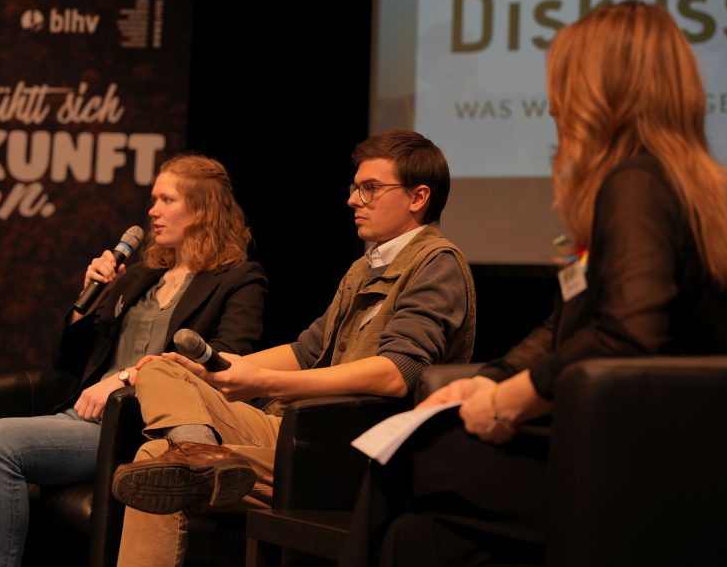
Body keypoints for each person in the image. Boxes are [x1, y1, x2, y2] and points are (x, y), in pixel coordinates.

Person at [342, 1, 727, 566]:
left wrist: (508, 400)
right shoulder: (663, 180)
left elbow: (626, 335)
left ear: (601, 90)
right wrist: (486, 380)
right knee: (418, 538)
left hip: (654, 458)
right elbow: (564, 324)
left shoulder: (635, 184)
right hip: (633, 434)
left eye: (563, 82)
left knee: (400, 459)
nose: (554, 104)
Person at [0, 155, 267, 567]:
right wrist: (86, 301)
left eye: (167, 200)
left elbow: (224, 361)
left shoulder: (238, 279)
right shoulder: (140, 275)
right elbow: (69, 362)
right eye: (153, 199)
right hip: (81, 416)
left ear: (201, 210)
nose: (153, 211)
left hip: (134, 425)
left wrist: (128, 377)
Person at [108, 130, 477, 567]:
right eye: (355, 187)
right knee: (164, 370)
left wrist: (264, 382)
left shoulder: (437, 264)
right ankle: (199, 452)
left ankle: (197, 455)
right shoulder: (365, 266)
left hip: (350, 451)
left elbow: (398, 373)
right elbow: (306, 351)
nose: (353, 200)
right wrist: (220, 370)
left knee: (157, 458)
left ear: (418, 197)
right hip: (303, 432)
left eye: (370, 188)